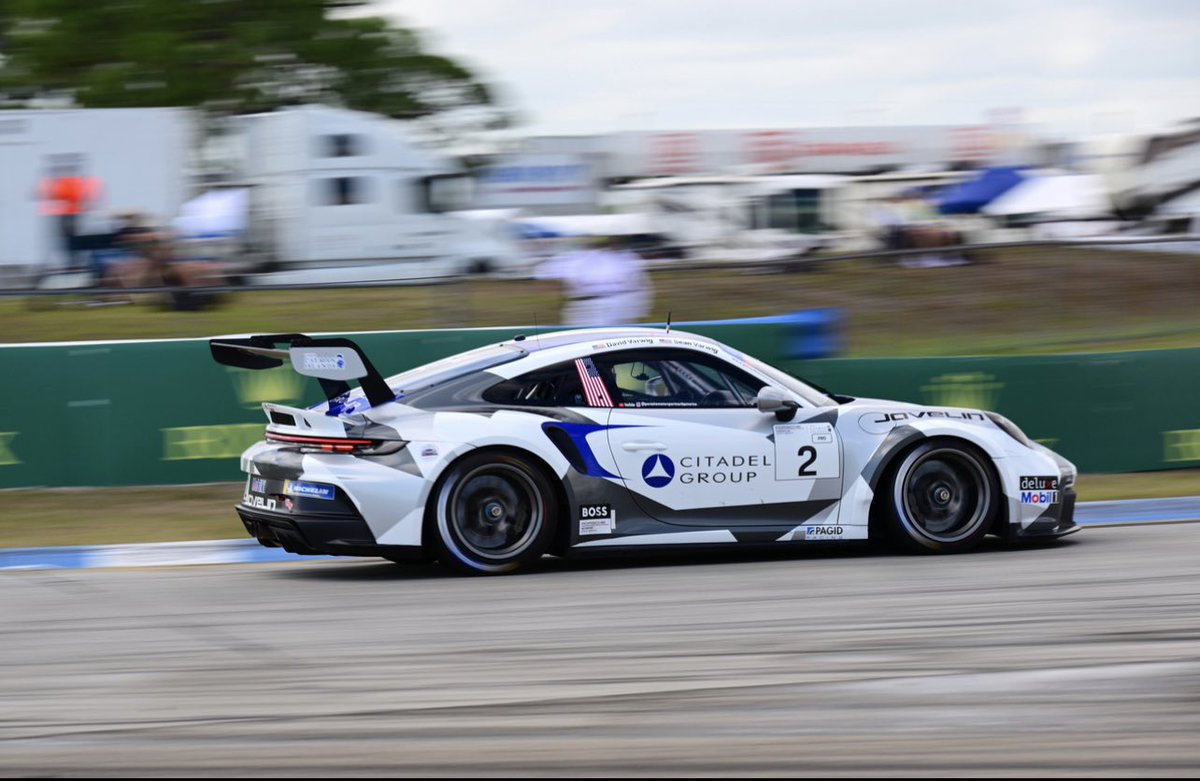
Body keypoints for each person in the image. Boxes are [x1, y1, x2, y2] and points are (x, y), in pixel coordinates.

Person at [535, 235, 653, 326]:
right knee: (581, 343)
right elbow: (541, 272)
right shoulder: (574, 257)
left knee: (610, 342)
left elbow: (641, 286)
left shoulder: (625, 258)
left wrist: (638, 309)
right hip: (583, 306)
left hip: (615, 304)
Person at [37, 155, 102, 271]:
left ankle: (74, 262)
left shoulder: (69, 182)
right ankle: (71, 262)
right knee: (67, 239)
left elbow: (83, 197)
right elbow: (49, 195)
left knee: (71, 239)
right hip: (65, 215)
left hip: (72, 215)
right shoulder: (64, 182)